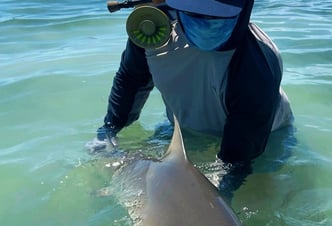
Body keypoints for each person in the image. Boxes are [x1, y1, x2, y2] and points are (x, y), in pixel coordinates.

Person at [88, 0, 292, 168]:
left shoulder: (259, 65)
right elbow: (131, 80)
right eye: (194, 13)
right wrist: (108, 129)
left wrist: (224, 180)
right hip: (185, 130)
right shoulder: (152, 27)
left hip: (265, 136)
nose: (205, 19)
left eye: (216, 15)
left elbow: (238, 157)